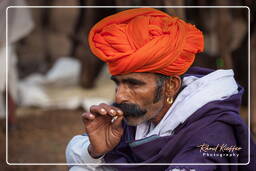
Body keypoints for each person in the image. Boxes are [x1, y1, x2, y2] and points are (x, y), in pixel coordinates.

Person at [66, 8, 255, 171]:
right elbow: (76, 157)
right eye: (118, 83)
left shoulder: (213, 130)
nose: (120, 95)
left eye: (134, 84)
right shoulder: (133, 115)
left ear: (171, 86)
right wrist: (96, 151)